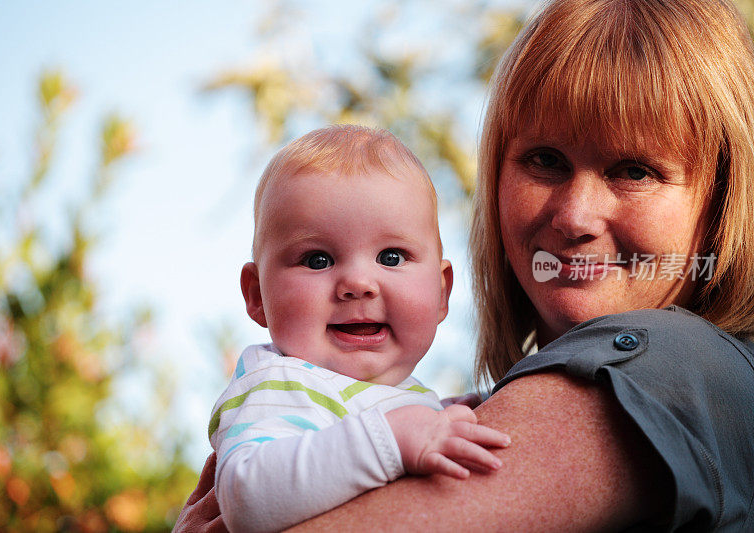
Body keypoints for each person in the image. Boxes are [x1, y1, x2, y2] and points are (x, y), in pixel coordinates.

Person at [176, 0, 754, 530]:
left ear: (724, 199)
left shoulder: (683, 366)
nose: (575, 216)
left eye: (634, 171)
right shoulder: (307, 388)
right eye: (545, 161)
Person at [208, 125, 509, 532]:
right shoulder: (280, 382)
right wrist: (389, 440)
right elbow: (246, 497)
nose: (358, 284)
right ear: (258, 294)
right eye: (317, 260)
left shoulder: (408, 400)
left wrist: (459, 412)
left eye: (391, 256)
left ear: (441, 292)